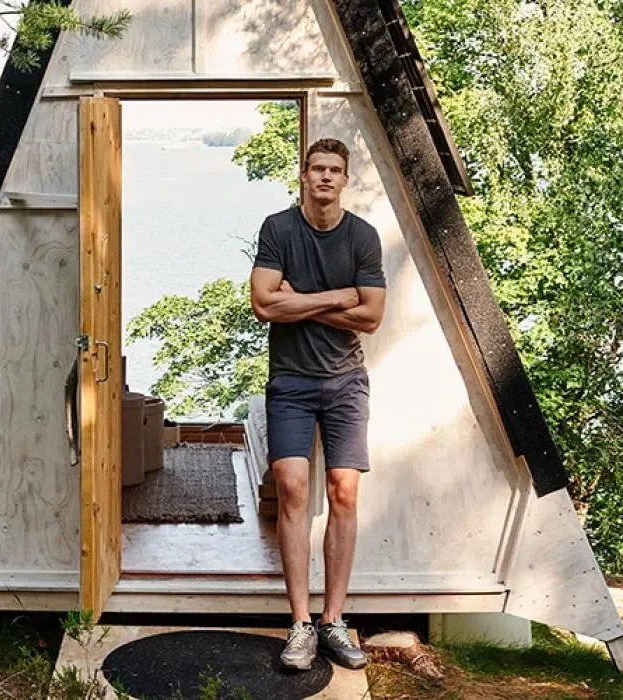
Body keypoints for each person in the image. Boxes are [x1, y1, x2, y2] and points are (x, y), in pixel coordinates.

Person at [249, 138, 386, 671]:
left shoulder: (362, 237)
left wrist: (296, 302)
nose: (325, 177)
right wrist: (336, 297)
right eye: (317, 169)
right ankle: (300, 625)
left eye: (334, 170)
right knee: (291, 486)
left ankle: (333, 621)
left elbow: (372, 317)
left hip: (346, 382)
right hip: (291, 382)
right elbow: (264, 304)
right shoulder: (278, 229)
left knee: (344, 492)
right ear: (303, 176)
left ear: (345, 180)